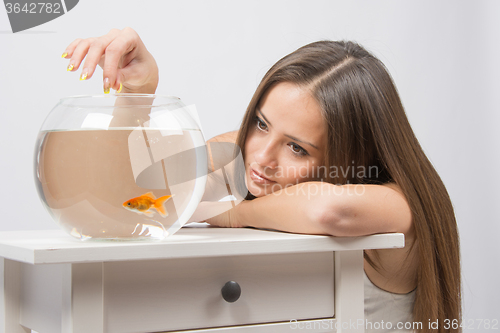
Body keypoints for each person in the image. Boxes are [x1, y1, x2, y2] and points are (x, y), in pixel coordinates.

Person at [62, 27, 461, 333]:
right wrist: (138, 95)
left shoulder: (400, 201)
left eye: (298, 149)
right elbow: (129, 203)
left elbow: (331, 210)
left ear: (353, 158)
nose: (262, 158)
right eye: (261, 123)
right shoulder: (244, 160)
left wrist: (234, 215)